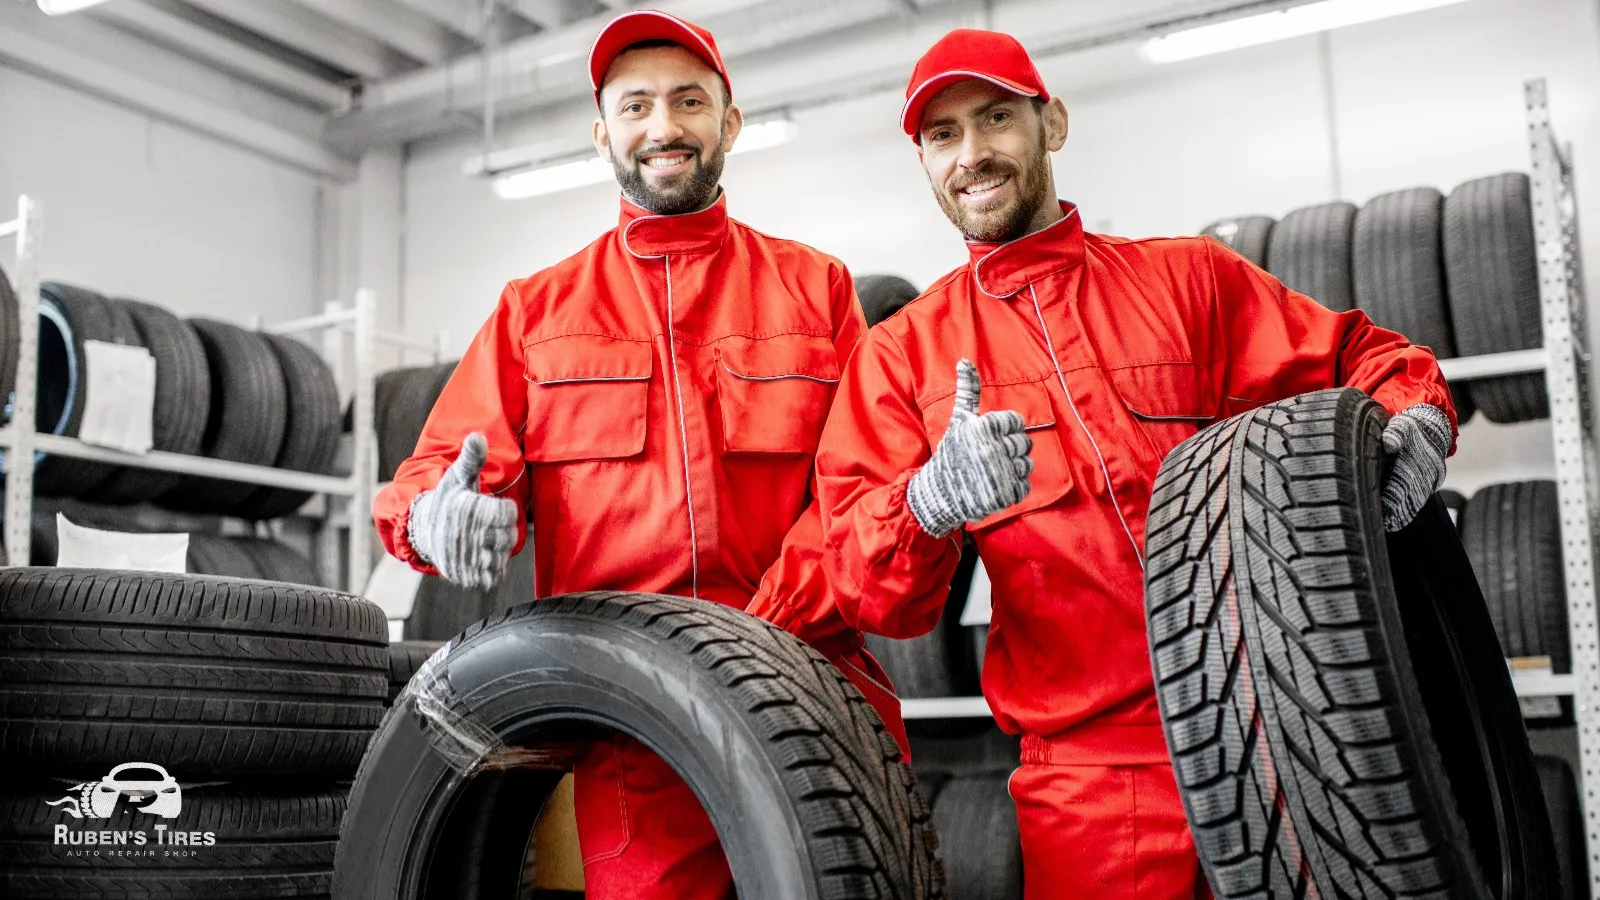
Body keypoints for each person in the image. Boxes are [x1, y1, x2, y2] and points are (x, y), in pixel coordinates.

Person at [801, 28, 1457, 898]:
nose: (972, 153)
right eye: (943, 135)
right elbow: (867, 588)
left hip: (1285, 727)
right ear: (923, 159)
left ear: (1053, 124)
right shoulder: (903, 358)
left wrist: (1417, 424)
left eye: (996, 117)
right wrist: (927, 503)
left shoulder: (1189, 281)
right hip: (1093, 784)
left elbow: (1363, 360)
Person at [372, 11, 906, 899]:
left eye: (689, 102)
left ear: (729, 122)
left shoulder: (818, 292)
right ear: (603, 134)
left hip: (818, 699)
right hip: (638, 745)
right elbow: (430, 478)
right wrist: (436, 517)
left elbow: (862, 494)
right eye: (636, 107)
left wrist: (752, 648)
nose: (663, 127)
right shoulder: (535, 314)